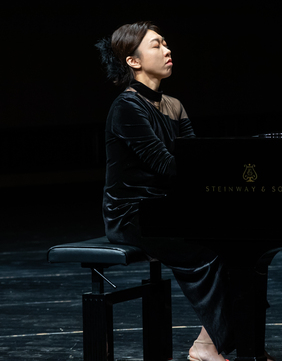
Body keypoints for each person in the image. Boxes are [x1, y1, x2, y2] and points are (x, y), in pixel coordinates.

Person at [96, 22, 232, 361]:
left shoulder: (174, 105)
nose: (167, 50)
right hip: (132, 215)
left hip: (166, 208)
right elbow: (167, 165)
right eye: (156, 45)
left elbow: (192, 160)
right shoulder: (126, 107)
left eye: (166, 43)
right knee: (211, 251)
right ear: (133, 61)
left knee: (241, 245)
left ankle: (225, 343)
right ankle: (213, 346)